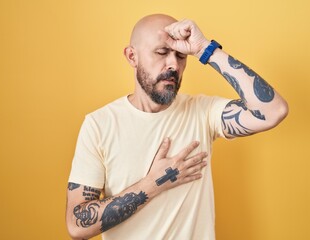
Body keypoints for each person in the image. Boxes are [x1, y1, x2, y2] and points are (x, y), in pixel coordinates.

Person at [66, 14, 288, 240]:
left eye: (181, 55)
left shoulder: (203, 112)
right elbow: (77, 225)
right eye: (161, 52)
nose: (173, 64)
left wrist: (205, 49)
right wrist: (153, 183)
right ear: (132, 56)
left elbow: (273, 111)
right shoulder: (99, 124)